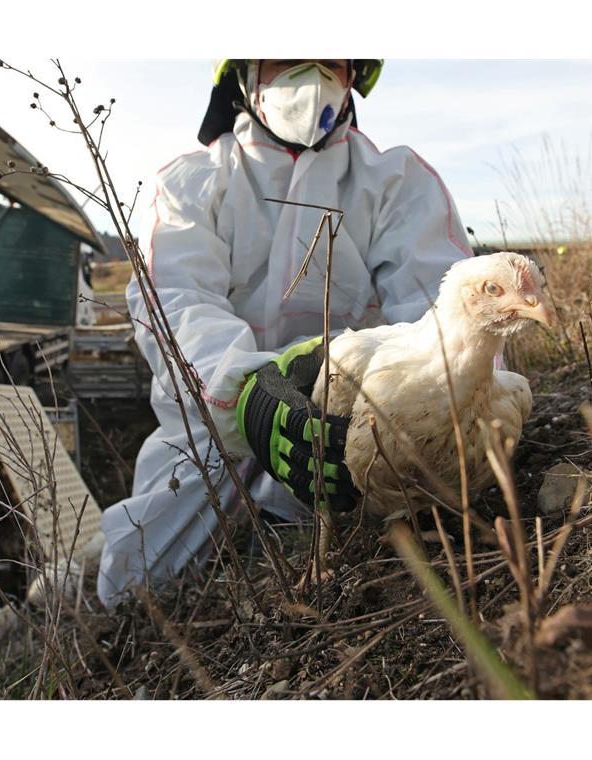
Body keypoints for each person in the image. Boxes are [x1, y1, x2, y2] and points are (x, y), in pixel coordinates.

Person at [96, 59, 474, 606]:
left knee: (390, 555)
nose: (310, 71)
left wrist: (400, 412)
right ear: (245, 74)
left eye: (330, 57)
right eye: (286, 53)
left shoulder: (397, 183)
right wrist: (244, 397)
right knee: (136, 589)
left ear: (353, 75)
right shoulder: (191, 184)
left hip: (350, 430)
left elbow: (443, 314)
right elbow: (175, 299)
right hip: (211, 436)